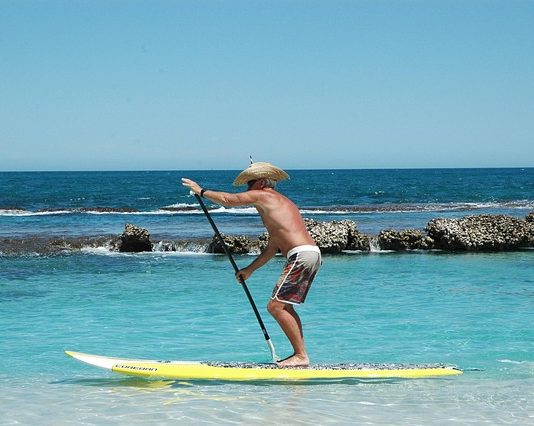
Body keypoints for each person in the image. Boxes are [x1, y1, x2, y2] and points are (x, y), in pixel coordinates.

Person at [181, 162, 321, 367]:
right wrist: (249, 270)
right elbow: (272, 248)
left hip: (301, 255)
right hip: (308, 254)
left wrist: (201, 191)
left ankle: (301, 356)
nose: (247, 189)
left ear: (262, 182)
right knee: (283, 306)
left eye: (250, 183)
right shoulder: (279, 204)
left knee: (276, 306)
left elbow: (229, 200)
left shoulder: (265, 196)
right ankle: (300, 354)